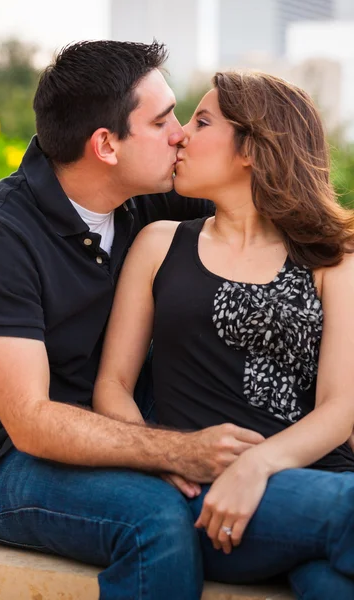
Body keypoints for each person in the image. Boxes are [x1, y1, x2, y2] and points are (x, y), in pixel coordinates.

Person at [0, 41, 266, 600]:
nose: (181, 134)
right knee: (158, 520)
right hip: (6, 464)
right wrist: (176, 450)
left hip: (130, 414)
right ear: (105, 145)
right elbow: (30, 420)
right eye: (162, 119)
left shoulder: (151, 194)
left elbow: (267, 211)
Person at [93, 71, 354, 599]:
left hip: (316, 479)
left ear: (253, 149)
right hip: (207, 492)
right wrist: (162, 453)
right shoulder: (160, 244)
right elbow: (112, 387)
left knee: (332, 585)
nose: (181, 134)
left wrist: (258, 465)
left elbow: (340, 406)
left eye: (202, 120)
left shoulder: (333, 256)